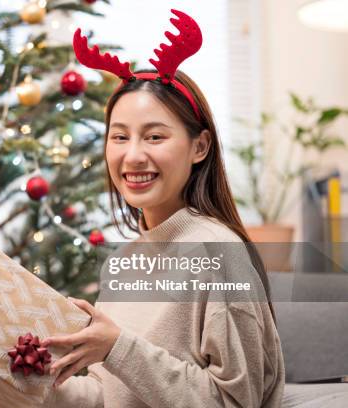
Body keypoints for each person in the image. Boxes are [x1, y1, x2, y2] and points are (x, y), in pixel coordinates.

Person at [40, 10, 285, 408]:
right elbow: (107, 396)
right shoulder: (123, 264)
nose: (133, 155)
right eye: (119, 136)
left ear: (199, 147)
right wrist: (35, 387)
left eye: (154, 136)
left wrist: (118, 347)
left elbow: (236, 402)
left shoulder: (219, 255)